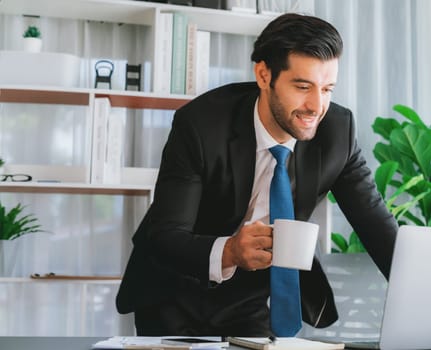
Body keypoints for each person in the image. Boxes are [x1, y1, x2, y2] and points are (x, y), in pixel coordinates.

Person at [116, 13, 399, 336]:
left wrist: (425, 294)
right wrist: (231, 250)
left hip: (250, 295)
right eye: (303, 86)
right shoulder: (200, 125)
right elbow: (166, 234)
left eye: (327, 89)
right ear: (264, 75)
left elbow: (375, 223)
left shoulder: (337, 132)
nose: (316, 106)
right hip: (174, 287)